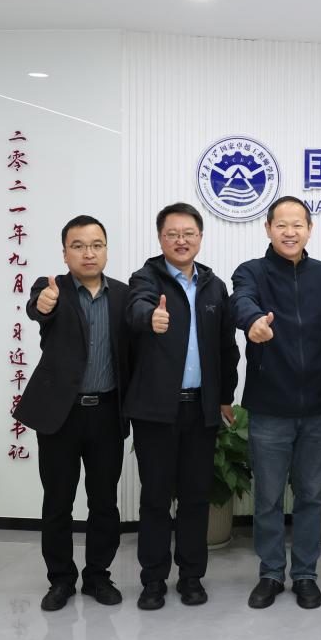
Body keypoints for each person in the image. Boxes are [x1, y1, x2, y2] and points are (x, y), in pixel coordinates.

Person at [124, 202, 239, 610]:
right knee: (156, 498)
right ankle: (153, 580)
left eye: (189, 233)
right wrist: (149, 318)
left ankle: (191, 576)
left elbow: (226, 347)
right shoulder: (145, 278)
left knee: (195, 497)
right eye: (172, 234)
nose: (181, 241)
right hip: (156, 410)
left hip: (201, 408)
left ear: (200, 238)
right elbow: (136, 307)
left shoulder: (214, 286)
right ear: (160, 238)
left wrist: (225, 397)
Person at [231, 196, 321, 610]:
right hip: (270, 406)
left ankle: (306, 574)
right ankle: (271, 573)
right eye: (281, 225)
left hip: (318, 407)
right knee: (269, 498)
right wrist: (252, 321)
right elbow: (241, 301)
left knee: (312, 495)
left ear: (310, 229)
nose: (290, 232)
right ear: (268, 229)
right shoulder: (252, 272)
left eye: (298, 225)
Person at [15, 215, 130, 612]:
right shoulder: (52, 289)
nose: (88, 253)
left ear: (106, 250)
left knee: (104, 502)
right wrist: (42, 303)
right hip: (60, 416)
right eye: (78, 246)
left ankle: (98, 576)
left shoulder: (123, 295)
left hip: (107, 414)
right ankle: (61, 580)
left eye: (96, 245)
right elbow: (37, 308)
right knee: (58, 501)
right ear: (65, 253)